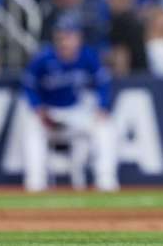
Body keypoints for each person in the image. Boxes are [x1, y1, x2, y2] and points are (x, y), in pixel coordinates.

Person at [19, 15, 119, 193]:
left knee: (105, 127)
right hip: (50, 112)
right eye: (62, 36)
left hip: (75, 112)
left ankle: (106, 180)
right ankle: (35, 182)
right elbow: (28, 86)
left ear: (78, 38)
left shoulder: (87, 56)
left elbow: (103, 82)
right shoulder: (43, 58)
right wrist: (38, 108)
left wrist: (102, 107)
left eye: (70, 36)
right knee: (31, 127)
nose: (65, 41)